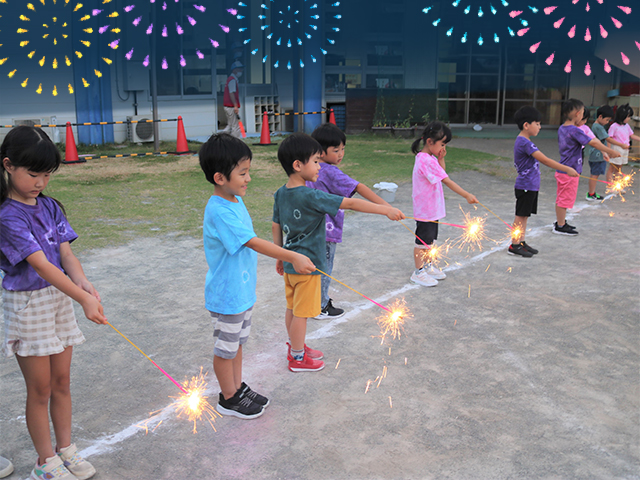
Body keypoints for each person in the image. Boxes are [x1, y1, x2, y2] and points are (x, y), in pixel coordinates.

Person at [0, 126, 107, 480]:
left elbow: (64, 254)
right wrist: (82, 300)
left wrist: (83, 284)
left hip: (59, 299)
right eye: (33, 174)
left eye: (47, 174)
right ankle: (45, 461)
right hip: (29, 305)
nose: (40, 182)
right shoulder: (8, 216)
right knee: (40, 388)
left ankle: (66, 450)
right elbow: (41, 266)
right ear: (8, 166)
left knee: (62, 381)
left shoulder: (50, 206)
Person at [199, 134, 316, 419]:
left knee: (237, 344)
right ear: (220, 177)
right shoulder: (220, 210)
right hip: (227, 295)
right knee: (226, 348)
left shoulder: (234, 200)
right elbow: (250, 241)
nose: (248, 178)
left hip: (241, 293)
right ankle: (228, 398)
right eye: (242, 173)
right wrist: (292, 256)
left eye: (248, 171)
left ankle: (237, 388)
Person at [272, 133, 404, 372]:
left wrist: (281, 256)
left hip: (291, 263)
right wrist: (385, 210)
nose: (318, 167)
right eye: (315, 161)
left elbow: (276, 225)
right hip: (308, 266)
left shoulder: (281, 193)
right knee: (301, 313)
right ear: (297, 165)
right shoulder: (312, 195)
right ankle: (298, 358)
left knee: (292, 309)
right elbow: (351, 203)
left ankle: (295, 347)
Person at [305, 123, 390, 319]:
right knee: (323, 268)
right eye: (336, 150)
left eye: (343, 149)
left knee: (314, 267)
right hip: (325, 230)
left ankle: (312, 300)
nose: (341, 154)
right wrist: (386, 207)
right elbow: (358, 188)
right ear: (320, 151)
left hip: (309, 228)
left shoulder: (311, 168)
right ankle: (320, 305)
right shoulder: (330, 171)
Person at [410, 121, 478, 286]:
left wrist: (441, 158)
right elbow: (447, 181)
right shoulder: (425, 160)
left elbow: (442, 173)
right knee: (422, 242)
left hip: (432, 209)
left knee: (431, 241)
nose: (443, 147)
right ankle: (418, 272)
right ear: (429, 142)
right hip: (426, 210)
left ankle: (428, 265)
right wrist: (466, 195)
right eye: (442, 144)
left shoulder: (430, 158)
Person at [508, 106, 579, 257]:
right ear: (526, 125)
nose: (540, 127)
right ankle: (514, 245)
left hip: (531, 186)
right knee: (520, 216)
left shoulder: (526, 141)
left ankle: (521, 241)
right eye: (537, 123)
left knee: (525, 216)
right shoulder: (524, 143)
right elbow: (545, 160)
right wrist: (566, 169)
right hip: (525, 185)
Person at [554, 99, 620, 235]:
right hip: (569, 171)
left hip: (568, 170)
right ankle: (560, 225)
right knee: (564, 199)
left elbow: (593, 140)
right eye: (583, 113)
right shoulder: (574, 130)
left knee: (565, 198)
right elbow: (593, 142)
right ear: (578, 114)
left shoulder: (563, 128)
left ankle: (561, 222)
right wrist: (610, 151)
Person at [586, 105, 627, 200]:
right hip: (596, 156)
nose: (607, 122)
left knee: (595, 174)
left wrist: (604, 153)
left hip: (599, 154)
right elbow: (608, 138)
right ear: (600, 117)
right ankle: (591, 194)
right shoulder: (598, 127)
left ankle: (592, 193)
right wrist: (621, 145)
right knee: (594, 175)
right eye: (607, 120)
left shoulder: (597, 126)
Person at [607, 104, 639, 182]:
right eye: (628, 117)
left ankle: (617, 185)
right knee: (612, 167)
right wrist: (609, 151)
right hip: (616, 149)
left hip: (625, 149)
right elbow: (609, 139)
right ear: (622, 116)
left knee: (619, 168)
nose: (629, 119)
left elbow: (632, 135)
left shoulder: (626, 126)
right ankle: (609, 185)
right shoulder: (614, 126)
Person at [222, 61, 244, 139]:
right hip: (231, 106)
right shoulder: (232, 80)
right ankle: (235, 142)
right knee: (235, 126)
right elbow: (232, 93)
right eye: (239, 69)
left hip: (228, 106)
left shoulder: (230, 79)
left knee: (230, 125)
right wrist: (235, 106)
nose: (241, 71)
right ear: (234, 70)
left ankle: (221, 138)